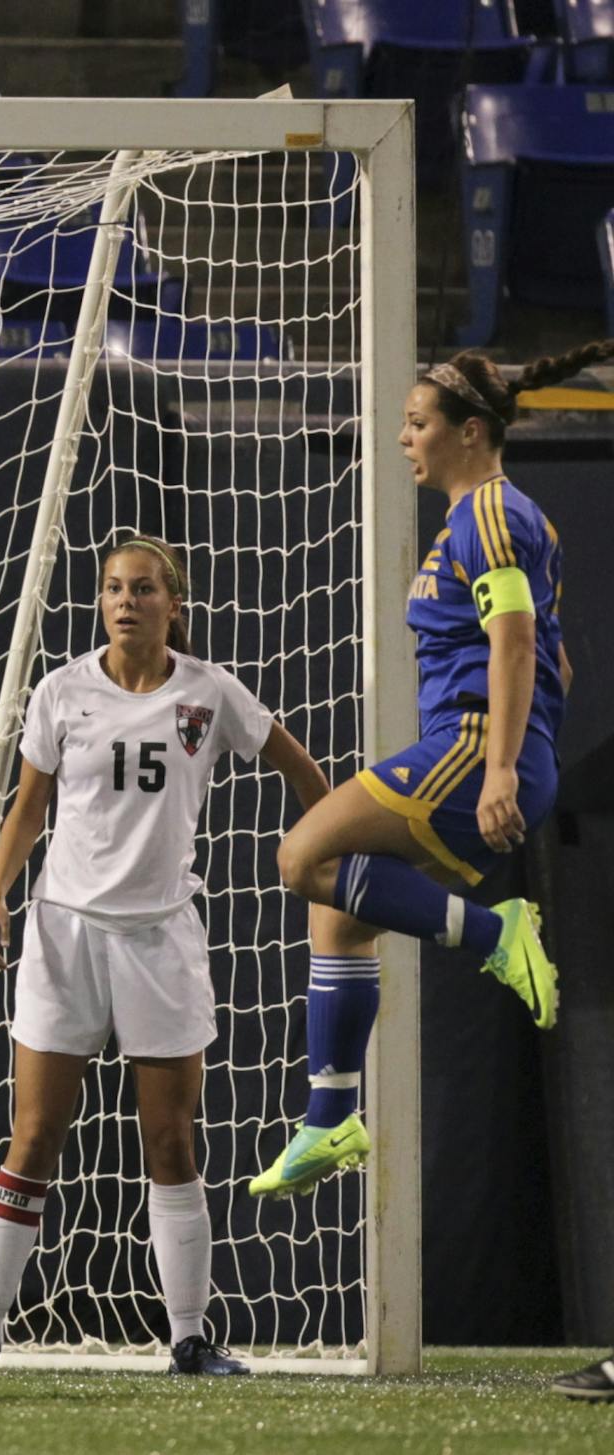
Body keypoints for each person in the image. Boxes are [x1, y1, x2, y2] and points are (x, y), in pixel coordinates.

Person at [0, 536, 331, 1378]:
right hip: (65, 933)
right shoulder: (61, 691)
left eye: (143, 588)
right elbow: (28, 807)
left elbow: (300, 768)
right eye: (114, 588)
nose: (126, 601)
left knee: (171, 1140)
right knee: (34, 1135)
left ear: (172, 604)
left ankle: (188, 1336)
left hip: (161, 938)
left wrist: (336, 845)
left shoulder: (209, 692)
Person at [249, 344, 600, 1203]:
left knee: (302, 859)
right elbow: (555, 662)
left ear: (469, 431)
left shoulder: (491, 514)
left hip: (475, 749)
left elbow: (517, 644)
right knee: (340, 914)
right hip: (485, 747)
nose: (404, 438)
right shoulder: (484, 521)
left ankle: (495, 933)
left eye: (416, 422)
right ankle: (331, 1117)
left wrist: (503, 765)